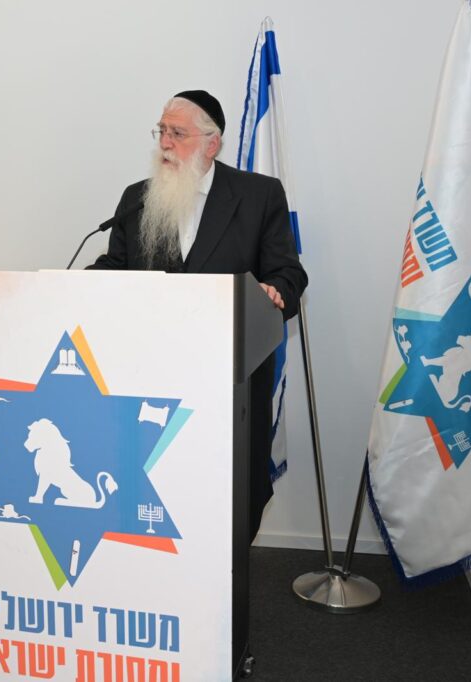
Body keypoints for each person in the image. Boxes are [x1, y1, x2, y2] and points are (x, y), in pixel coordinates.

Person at [88, 90, 308, 539]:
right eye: (161, 131)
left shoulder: (259, 195)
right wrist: (78, 284)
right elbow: (116, 265)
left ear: (212, 143)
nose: (165, 143)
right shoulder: (138, 197)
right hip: (153, 375)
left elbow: (289, 273)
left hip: (232, 375)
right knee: (160, 485)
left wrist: (274, 291)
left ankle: (230, 571)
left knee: (229, 493)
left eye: (177, 133)